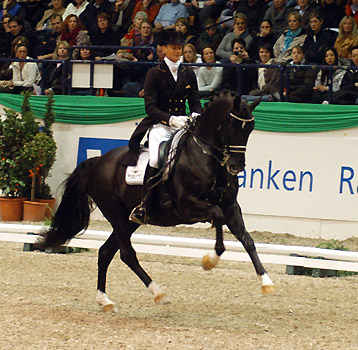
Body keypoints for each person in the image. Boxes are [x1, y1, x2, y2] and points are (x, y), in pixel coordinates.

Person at [128, 30, 202, 224]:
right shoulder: (154, 74)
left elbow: (195, 101)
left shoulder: (188, 73)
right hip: (160, 126)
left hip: (183, 125)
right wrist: (170, 119)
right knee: (155, 159)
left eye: (180, 48)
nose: (178, 51)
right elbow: (150, 107)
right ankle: (144, 205)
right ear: (164, 49)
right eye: (174, 48)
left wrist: (196, 114)